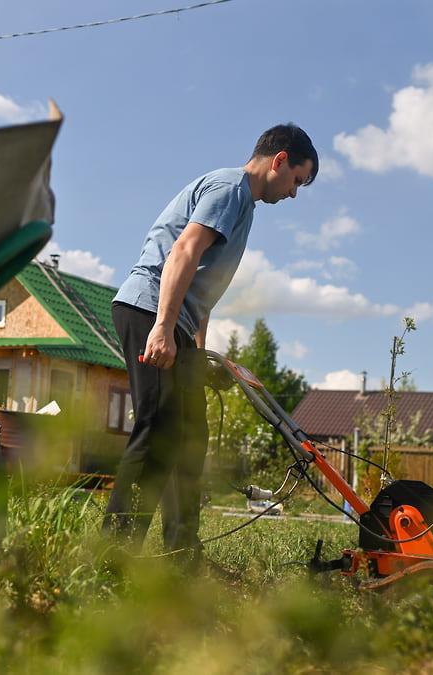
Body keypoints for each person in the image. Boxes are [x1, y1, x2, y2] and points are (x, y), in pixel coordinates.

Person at [104, 123, 319, 561]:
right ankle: (113, 556)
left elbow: (205, 288)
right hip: (149, 309)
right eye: (297, 180)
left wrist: (197, 354)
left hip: (175, 320)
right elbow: (183, 252)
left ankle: (182, 554)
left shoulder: (244, 206)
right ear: (279, 160)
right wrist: (162, 327)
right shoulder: (229, 189)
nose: (294, 193)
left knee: (190, 436)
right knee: (159, 429)